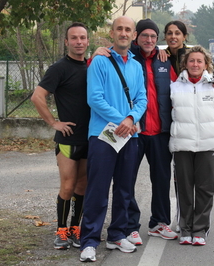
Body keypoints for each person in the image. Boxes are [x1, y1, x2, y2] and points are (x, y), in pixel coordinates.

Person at [79, 16, 147, 262]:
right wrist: (124, 121)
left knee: (125, 189)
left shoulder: (137, 66)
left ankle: (117, 234)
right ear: (112, 33)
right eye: (119, 28)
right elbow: (95, 99)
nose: (124, 33)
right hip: (103, 135)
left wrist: (130, 119)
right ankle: (89, 241)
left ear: (133, 35)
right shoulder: (99, 61)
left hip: (130, 135)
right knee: (97, 189)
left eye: (128, 29)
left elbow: (142, 99)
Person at [31, 22, 91, 250]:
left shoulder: (94, 66)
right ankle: (61, 231)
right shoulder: (59, 68)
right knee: (67, 186)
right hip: (67, 140)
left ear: (87, 41)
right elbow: (37, 96)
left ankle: (76, 229)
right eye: (74, 38)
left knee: (82, 186)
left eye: (82, 38)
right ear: (66, 42)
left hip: (90, 138)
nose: (78, 42)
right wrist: (53, 122)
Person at [169, 45, 214, 246]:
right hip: (182, 145)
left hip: (207, 145)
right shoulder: (174, 86)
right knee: (185, 189)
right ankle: (185, 229)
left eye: (199, 61)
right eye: (191, 61)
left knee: (205, 189)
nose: (195, 64)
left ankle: (200, 229)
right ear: (185, 64)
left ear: (206, 64)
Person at [125, 18, 178, 245]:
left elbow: (181, 88)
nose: (149, 40)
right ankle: (129, 226)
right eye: (145, 35)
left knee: (162, 179)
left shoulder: (164, 59)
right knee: (127, 181)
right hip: (133, 132)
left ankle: (159, 223)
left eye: (153, 37)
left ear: (158, 39)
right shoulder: (125, 58)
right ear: (136, 36)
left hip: (160, 132)